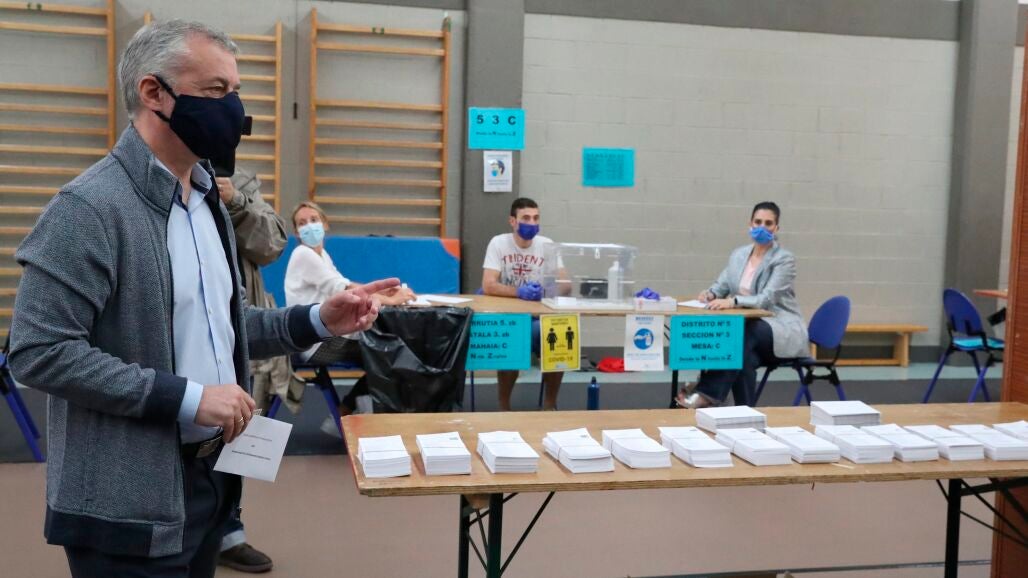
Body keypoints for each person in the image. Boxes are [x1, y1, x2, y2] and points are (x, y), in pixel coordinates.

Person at [8, 20, 397, 578]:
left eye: (235, 91)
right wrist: (188, 398)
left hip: (212, 482)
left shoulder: (206, 200)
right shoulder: (88, 209)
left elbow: (221, 323)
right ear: (153, 92)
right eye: (216, 90)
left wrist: (317, 319)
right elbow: (39, 351)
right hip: (127, 504)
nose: (234, 109)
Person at [214, 168, 292, 572]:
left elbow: (272, 245)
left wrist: (236, 203)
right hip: (171, 328)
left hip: (237, 329)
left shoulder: (240, 182)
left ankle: (229, 533)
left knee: (235, 433)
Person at [284, 200, 416, 426]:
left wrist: (382, 291)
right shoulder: (303, 254)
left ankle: (348, 411)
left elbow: (344, 283)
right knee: (390, 354)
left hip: (324, 336)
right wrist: (391, 299)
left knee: (390, 353)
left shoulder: (322, 255)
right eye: (302, 223)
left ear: (325, 224)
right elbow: (343, 289)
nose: (309, 226)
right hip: (315, 344)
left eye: (314, 220)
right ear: (296, 232)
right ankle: (348, 414)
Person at [678, 201, 809, 409]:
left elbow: (766, 299)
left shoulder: (784, 259)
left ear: (776, 228)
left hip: (780, 328)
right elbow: (722, 285)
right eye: (758, 222)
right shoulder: (738, 255)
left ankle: (706, 393)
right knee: (744, 357)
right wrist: (710, 294)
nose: (762, 227)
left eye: (768, 223)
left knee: (744, 331)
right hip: (750, 335)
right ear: (750, 224)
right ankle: (744, 412)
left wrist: (733, 301)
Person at [482, 197, 569, 411]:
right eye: (526, 218)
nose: (532, 223)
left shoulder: (547, 245)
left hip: (539, 317)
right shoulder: (498, 243)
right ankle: (504, 407)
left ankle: (549, 407)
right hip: (511, 316)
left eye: (536, 218)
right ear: (513, 221)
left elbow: (566, 285)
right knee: (513, 336)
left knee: (558, 336)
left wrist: (545, 291)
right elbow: (488, 285)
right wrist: (519, 292)